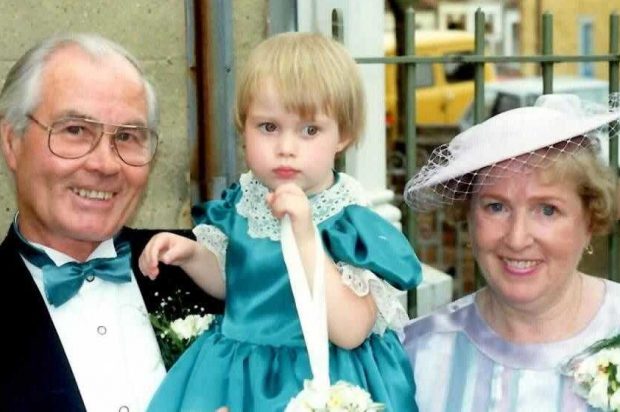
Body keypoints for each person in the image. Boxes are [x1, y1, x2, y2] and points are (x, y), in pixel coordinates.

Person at [139, 32, 422, 411]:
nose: (286, 146)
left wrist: (306, 236)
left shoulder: (350, 220)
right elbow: (234, 283)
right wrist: (191, 255)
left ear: (344, 135)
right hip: (240, 377)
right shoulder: (243, 201)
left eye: (309, 130)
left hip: (323, 378)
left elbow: (351, 331)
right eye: (268, 127)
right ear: (244, 128)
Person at [0, 33, 223, 411]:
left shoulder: (209, 270)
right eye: (75, 131)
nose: (105, 164)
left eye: (127, 136)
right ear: (12, 142)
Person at [402, 93, 620, 411]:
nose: (517, 239)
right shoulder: (419, 355)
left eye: (547, 210)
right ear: (468, 217)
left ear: (589, 219)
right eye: (496, 207)